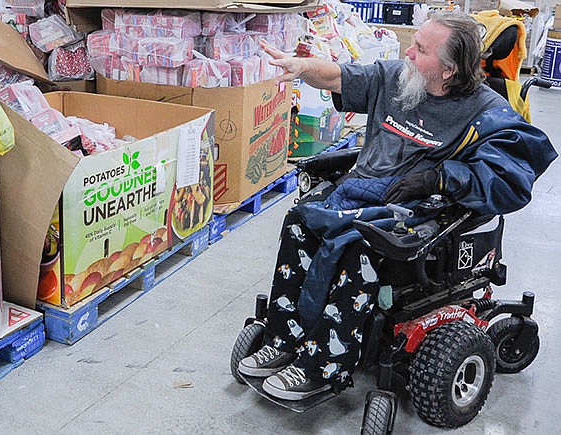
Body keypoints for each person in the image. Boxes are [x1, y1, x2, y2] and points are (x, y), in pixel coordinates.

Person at [237, 11, 557, 401]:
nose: (408, 52)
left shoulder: (486, 111)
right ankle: (285, 337)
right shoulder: (397, 79)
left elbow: (511, 180)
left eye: (420, 49)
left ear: (448, 70)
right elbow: (338, 76)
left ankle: (323, 365)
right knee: (300, 223)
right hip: (361, 192)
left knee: (358, 248)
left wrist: (441, 177)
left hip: (414, 214)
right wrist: (301, 65)